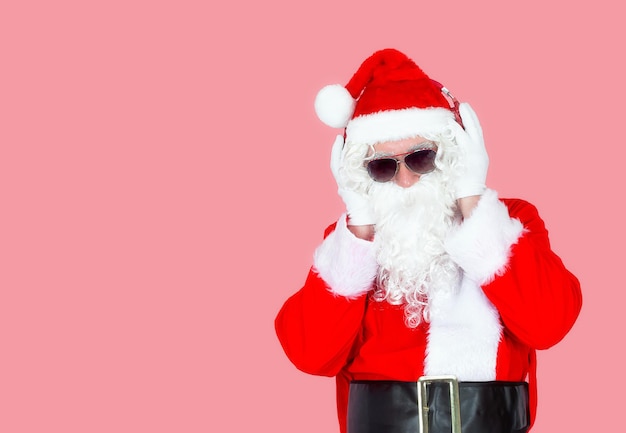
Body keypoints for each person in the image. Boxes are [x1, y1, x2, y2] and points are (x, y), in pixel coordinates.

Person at [274, 48, 582, 433]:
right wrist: (360, 231)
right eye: (383, 166)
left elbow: (550, 324)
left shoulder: (510, 222)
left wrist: (472, 200)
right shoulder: (354, 242)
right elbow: (309, 354)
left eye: (422, 159)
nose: (405, 180)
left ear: (455, 152)